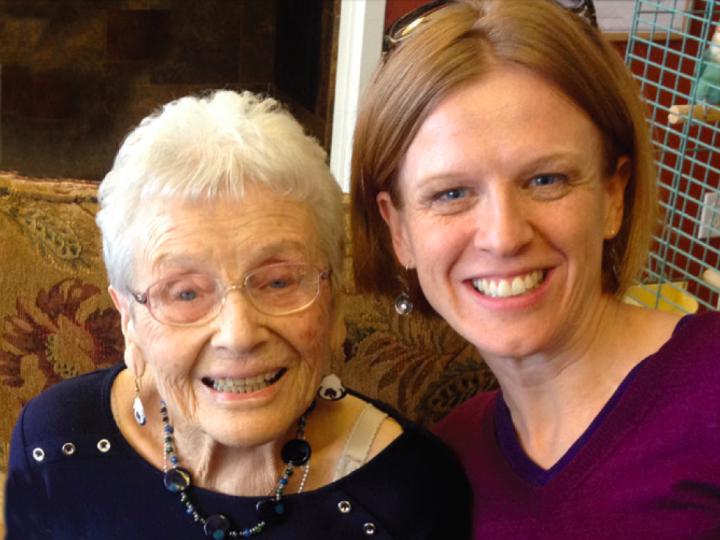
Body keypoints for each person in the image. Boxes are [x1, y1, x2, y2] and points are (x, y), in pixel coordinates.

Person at [5, 90, 471, 539]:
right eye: (185, 293)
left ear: (335, 306)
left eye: (278, 281)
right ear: (128, 318)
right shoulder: (57, 446)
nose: (238, 334)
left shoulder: (412, 492)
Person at [351, 0, 720, 538]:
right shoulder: (443, 462)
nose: (504, 236)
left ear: (613, 195)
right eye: (451, 193)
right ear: (399, 230)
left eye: (546, 180)